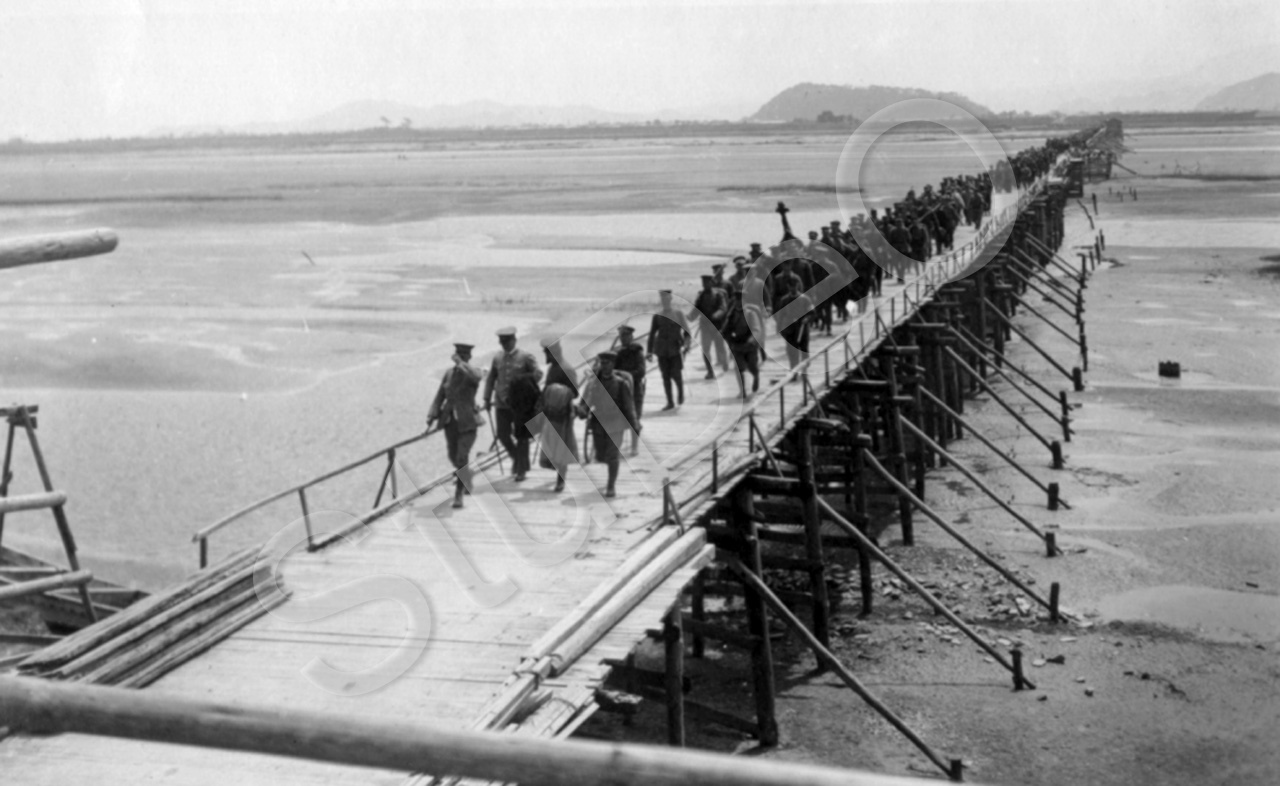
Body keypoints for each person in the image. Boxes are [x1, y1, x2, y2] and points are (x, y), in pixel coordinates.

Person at [427, 342, 484, 508]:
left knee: (461, 456)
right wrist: (432, 415)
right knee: (453, 456)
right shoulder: (448, 374)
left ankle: (458, 495)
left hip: (468, 422)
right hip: (450, 422)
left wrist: (461, 363)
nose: (461, 358)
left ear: (469, 357)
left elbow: (476, 377)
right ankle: (466, 476)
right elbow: (440, 396)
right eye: (459, 355)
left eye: (464, 356)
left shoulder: (474, 372)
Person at [483, 326, 542, 482]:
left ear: (514, 340)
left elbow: (538, 374)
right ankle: (517, 458)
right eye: (502, 342)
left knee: (522, 437)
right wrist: (486, 398)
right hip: (501, 403)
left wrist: (525, 386)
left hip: (520, 405)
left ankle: (521, 470)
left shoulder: (526, 357)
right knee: (502, 435)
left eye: (507, 342)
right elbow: (491, 378)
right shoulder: (497, 358)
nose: (504, 345)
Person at [576, 351, 637, 498]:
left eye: (607, 363)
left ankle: (611, 486)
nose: (604, 366)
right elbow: (584, 403)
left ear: (613, 364)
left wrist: (634, 424)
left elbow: (629, 407)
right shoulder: (593, 384)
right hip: (598, 424)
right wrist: (581, 411)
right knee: (601, 456)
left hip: (616, 424)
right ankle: (609, 474)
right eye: (602, 363)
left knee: (612, 456)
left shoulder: (621, 384)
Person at [538, 337, 578, 493]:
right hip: (551, 413)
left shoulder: (566, 369)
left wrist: (558, 392)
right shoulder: (553, 368)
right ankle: (556, 470)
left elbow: (574, 392)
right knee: (552, 445)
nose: (546, 357)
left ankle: (561, 480)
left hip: (563, 414)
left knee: (562, 447)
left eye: (548, 354)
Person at [648, 289, 691, 410]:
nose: (665, 301)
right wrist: (649, 352)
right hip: (661, 351)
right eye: (663, 299)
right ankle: (670, 402)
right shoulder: (657, 316)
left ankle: (680, 393)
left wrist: (686, 345)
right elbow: (652, 334)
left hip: (675, 350)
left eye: (667, 299)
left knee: (676, 375)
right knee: (665, 376)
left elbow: (687, 332)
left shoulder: (678, 314)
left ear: (671, 299)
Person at [614, 324, 647, 456]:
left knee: (634, 418)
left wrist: (627, 376)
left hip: (635, 389)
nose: (623, 339)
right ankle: (617, 446)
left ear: (631, 337)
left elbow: (641, 371)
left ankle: (634, 446)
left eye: (626, 336)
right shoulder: (618, 353)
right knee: (620, 418)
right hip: (621, 391)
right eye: (621, 336)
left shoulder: (637, 352)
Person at [723, 284, 760, 398]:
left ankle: (756, 376)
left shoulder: (750, 313)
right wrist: (725, 336)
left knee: (752, 367)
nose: (738, 302)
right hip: (737, 345)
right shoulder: (731, 314)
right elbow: (726, 329)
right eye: (736, 300)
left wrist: (751, 340)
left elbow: (756, 329)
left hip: (749, 346)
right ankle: (743, 390)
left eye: (740, 300)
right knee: (739, 369)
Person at [689, 274, 728, 379]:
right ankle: (710, 371)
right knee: (705, 349)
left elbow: (723, 308)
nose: (705, 285)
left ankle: (725, 363)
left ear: (711, 283)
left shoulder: (718, 294)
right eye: (703, 283)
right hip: (705, 326)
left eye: (707, 283)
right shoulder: (701, 296)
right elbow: (697, 308)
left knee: (720, 347)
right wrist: (690, 317)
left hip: (717, 326)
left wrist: (716, 315)